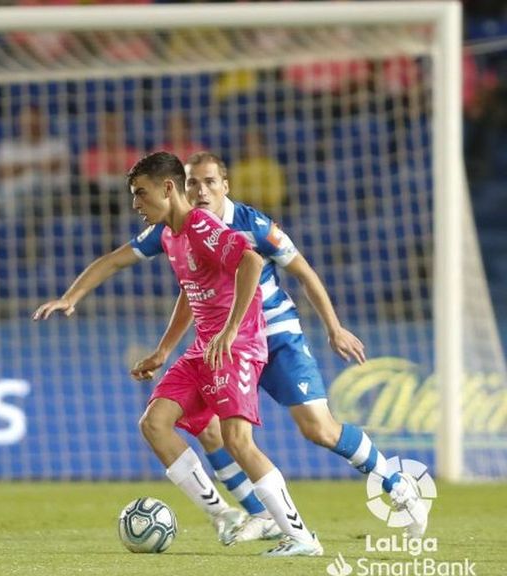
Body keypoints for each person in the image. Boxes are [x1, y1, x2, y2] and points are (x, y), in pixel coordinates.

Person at [34, 151, 322, 556]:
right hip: (204, 348)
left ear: (168, 189)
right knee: (155, 423)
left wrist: (232, 327)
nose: (135, 203)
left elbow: (252, 262)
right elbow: (120, 264)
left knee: (238, 439)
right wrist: (71, 298)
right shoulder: (168, 234)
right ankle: (225, 515)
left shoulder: (202, 227)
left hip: (235, 346)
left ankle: (302, 537)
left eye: (141, 193)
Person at [129, 151, 428, 538]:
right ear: (180, 187)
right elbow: (190, 291)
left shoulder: (253, 224)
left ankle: (398, 486)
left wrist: (334, 327)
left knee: (319, 429)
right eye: (193, 183)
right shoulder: (183, 232)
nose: (200, 190)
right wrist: (167, 347)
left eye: (209, 182)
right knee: (209, 429)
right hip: (230, 344)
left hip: (275, 334)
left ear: (225, 186)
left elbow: (303, 271)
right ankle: (260, 515)